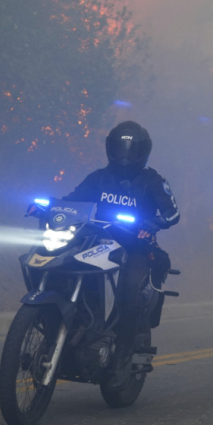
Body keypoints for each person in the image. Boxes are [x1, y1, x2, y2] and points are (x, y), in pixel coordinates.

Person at [62, 120, 180, 387]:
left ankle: (123, 354)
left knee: (130, 291)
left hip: (136, 246)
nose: (125, 156)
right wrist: (49, 207)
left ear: (144, 151)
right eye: (119, 149)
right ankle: (75, 328)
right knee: (63, 266)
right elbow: (72, 200)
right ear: (109, 149)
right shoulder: (98, 177)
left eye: (132, 150)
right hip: (94, 242)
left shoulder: (153, 181)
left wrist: (154, 223)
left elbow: (173, 213)